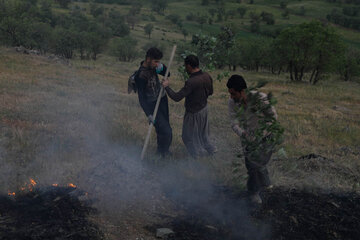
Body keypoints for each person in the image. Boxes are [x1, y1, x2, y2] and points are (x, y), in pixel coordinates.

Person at [226, 75, 278, 204]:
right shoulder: (232, 102)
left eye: (233, 93)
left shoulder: (260, 98)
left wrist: (261, 133)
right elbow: (234, 123)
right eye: (230, 94)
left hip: (267, 138)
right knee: (251, 166)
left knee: (258, 164)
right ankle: (255, 193)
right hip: (248, 139)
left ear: (242, 91)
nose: (231, 97)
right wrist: (243, 134)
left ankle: (265, 186)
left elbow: (273, 117)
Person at [162, 55, 216, 158]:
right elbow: (211, 92)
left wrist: (166, 87)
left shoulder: (192, 82)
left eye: (185, 66)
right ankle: (212, 151)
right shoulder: (207, 76)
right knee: (203, 135)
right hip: (204, 109)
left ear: (189, 66)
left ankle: (195, 156)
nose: (185, 68)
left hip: (193, 112)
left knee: (187, 137)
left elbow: (177, 97)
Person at [135, 47, 172, 157]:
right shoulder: (140, 76)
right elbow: (141, 97)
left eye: (158, 61)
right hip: (152, 105)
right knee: (166, 131)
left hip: (162, 100)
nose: (157, 64)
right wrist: (149, 114)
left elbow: (167, 73)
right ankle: (162, 153)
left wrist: (162, 67)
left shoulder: (154, 67)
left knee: (164, 129)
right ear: (148, 59)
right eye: (156, 61)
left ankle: (162, 152)